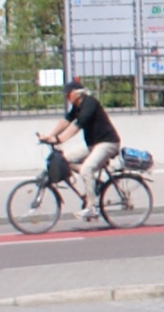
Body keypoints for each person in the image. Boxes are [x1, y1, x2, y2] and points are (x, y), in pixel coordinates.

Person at [40, 78, 122, 222]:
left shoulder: (89, 103)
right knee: (64, 160)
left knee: (86, 170)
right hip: (93, 145)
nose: (67, 97)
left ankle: (92, 208)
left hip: (107, 143)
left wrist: (59, 139)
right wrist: (50, 136)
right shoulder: (77, 106)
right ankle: (94, 181)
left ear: (76, 93)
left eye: (68, 94)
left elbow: (77, 125)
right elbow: (65, 121)